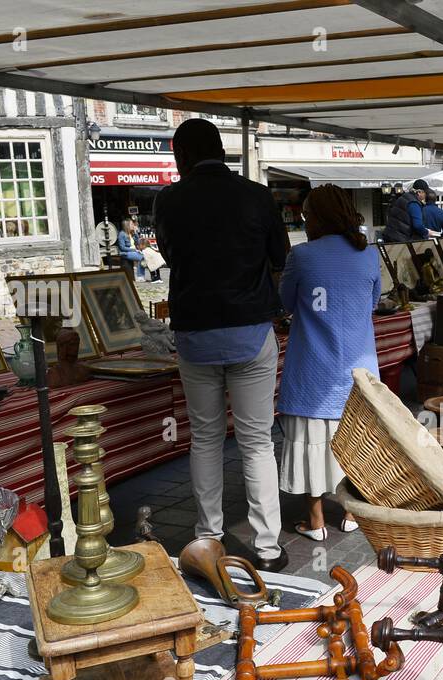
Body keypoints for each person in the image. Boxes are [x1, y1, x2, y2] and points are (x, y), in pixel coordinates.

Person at [154, 117, 291, 573]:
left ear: (181, 157)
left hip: (195, 335)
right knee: (256, 442)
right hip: (251, 332)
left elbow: (172, 257)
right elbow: (281, 257)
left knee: (206, 440)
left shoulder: (168, 201)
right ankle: (269, 548)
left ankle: (208, 535)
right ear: (222, 151)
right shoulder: (256, 195)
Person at [278, 184, 380, 541]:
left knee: (311, 440)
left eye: (307, 216)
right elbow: (372, 303)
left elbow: (286, 302)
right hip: (359, 367)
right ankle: (351, 511)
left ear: (316, 218)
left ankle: (316, 519)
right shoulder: (369, 255)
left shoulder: (302, 256)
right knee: (356, 439)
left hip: (313, 368)